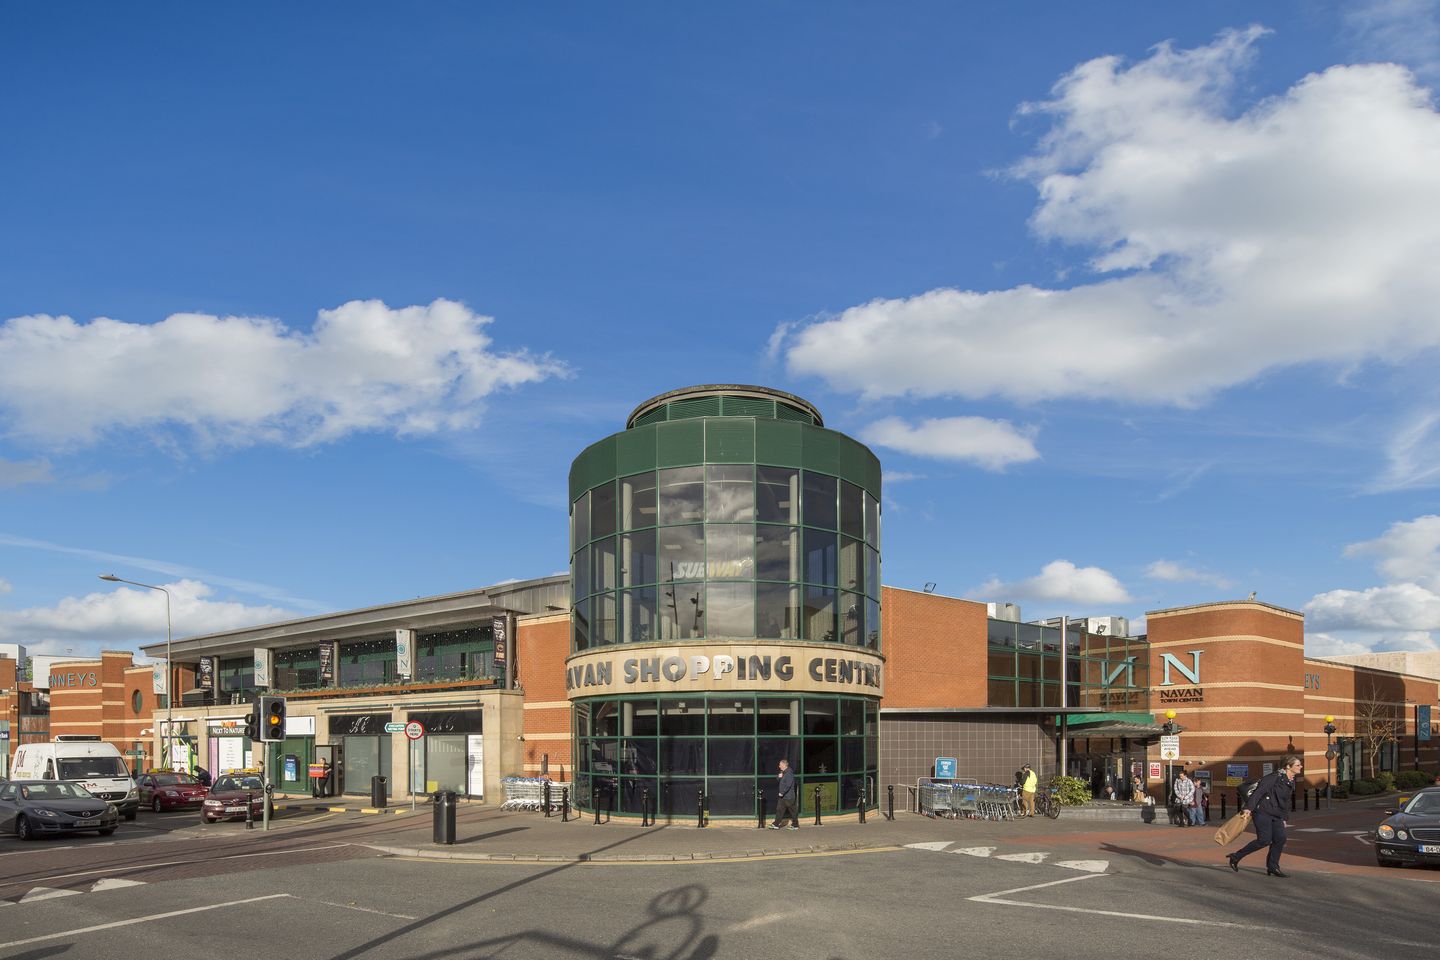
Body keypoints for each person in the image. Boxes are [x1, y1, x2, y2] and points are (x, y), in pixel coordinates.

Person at [1228, 754, 1302, 877]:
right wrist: (1248, 808)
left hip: (1277, 814)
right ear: (1288, 766)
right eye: (1298, 765)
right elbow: (1259, 792)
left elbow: (1285, 801)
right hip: (1263, 812)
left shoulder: (1291, 780)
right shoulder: (1274, 777)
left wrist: (1284, 818)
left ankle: (1273, 867)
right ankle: (1236, 856)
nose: (1301, 766)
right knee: (1264, 840)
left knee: (1280, 838)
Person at [766, 758, 798, 830]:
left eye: (780, 765)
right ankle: (776, 824)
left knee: (793, 811)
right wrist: (779, 777)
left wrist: (782, 792)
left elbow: (788, 785)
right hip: (783, 797)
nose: (779, 766)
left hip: (789, 797)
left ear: (784, 765)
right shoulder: (783, 772)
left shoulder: (789, 773)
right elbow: (778, 779)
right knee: (779, 810)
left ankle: (795, 825)